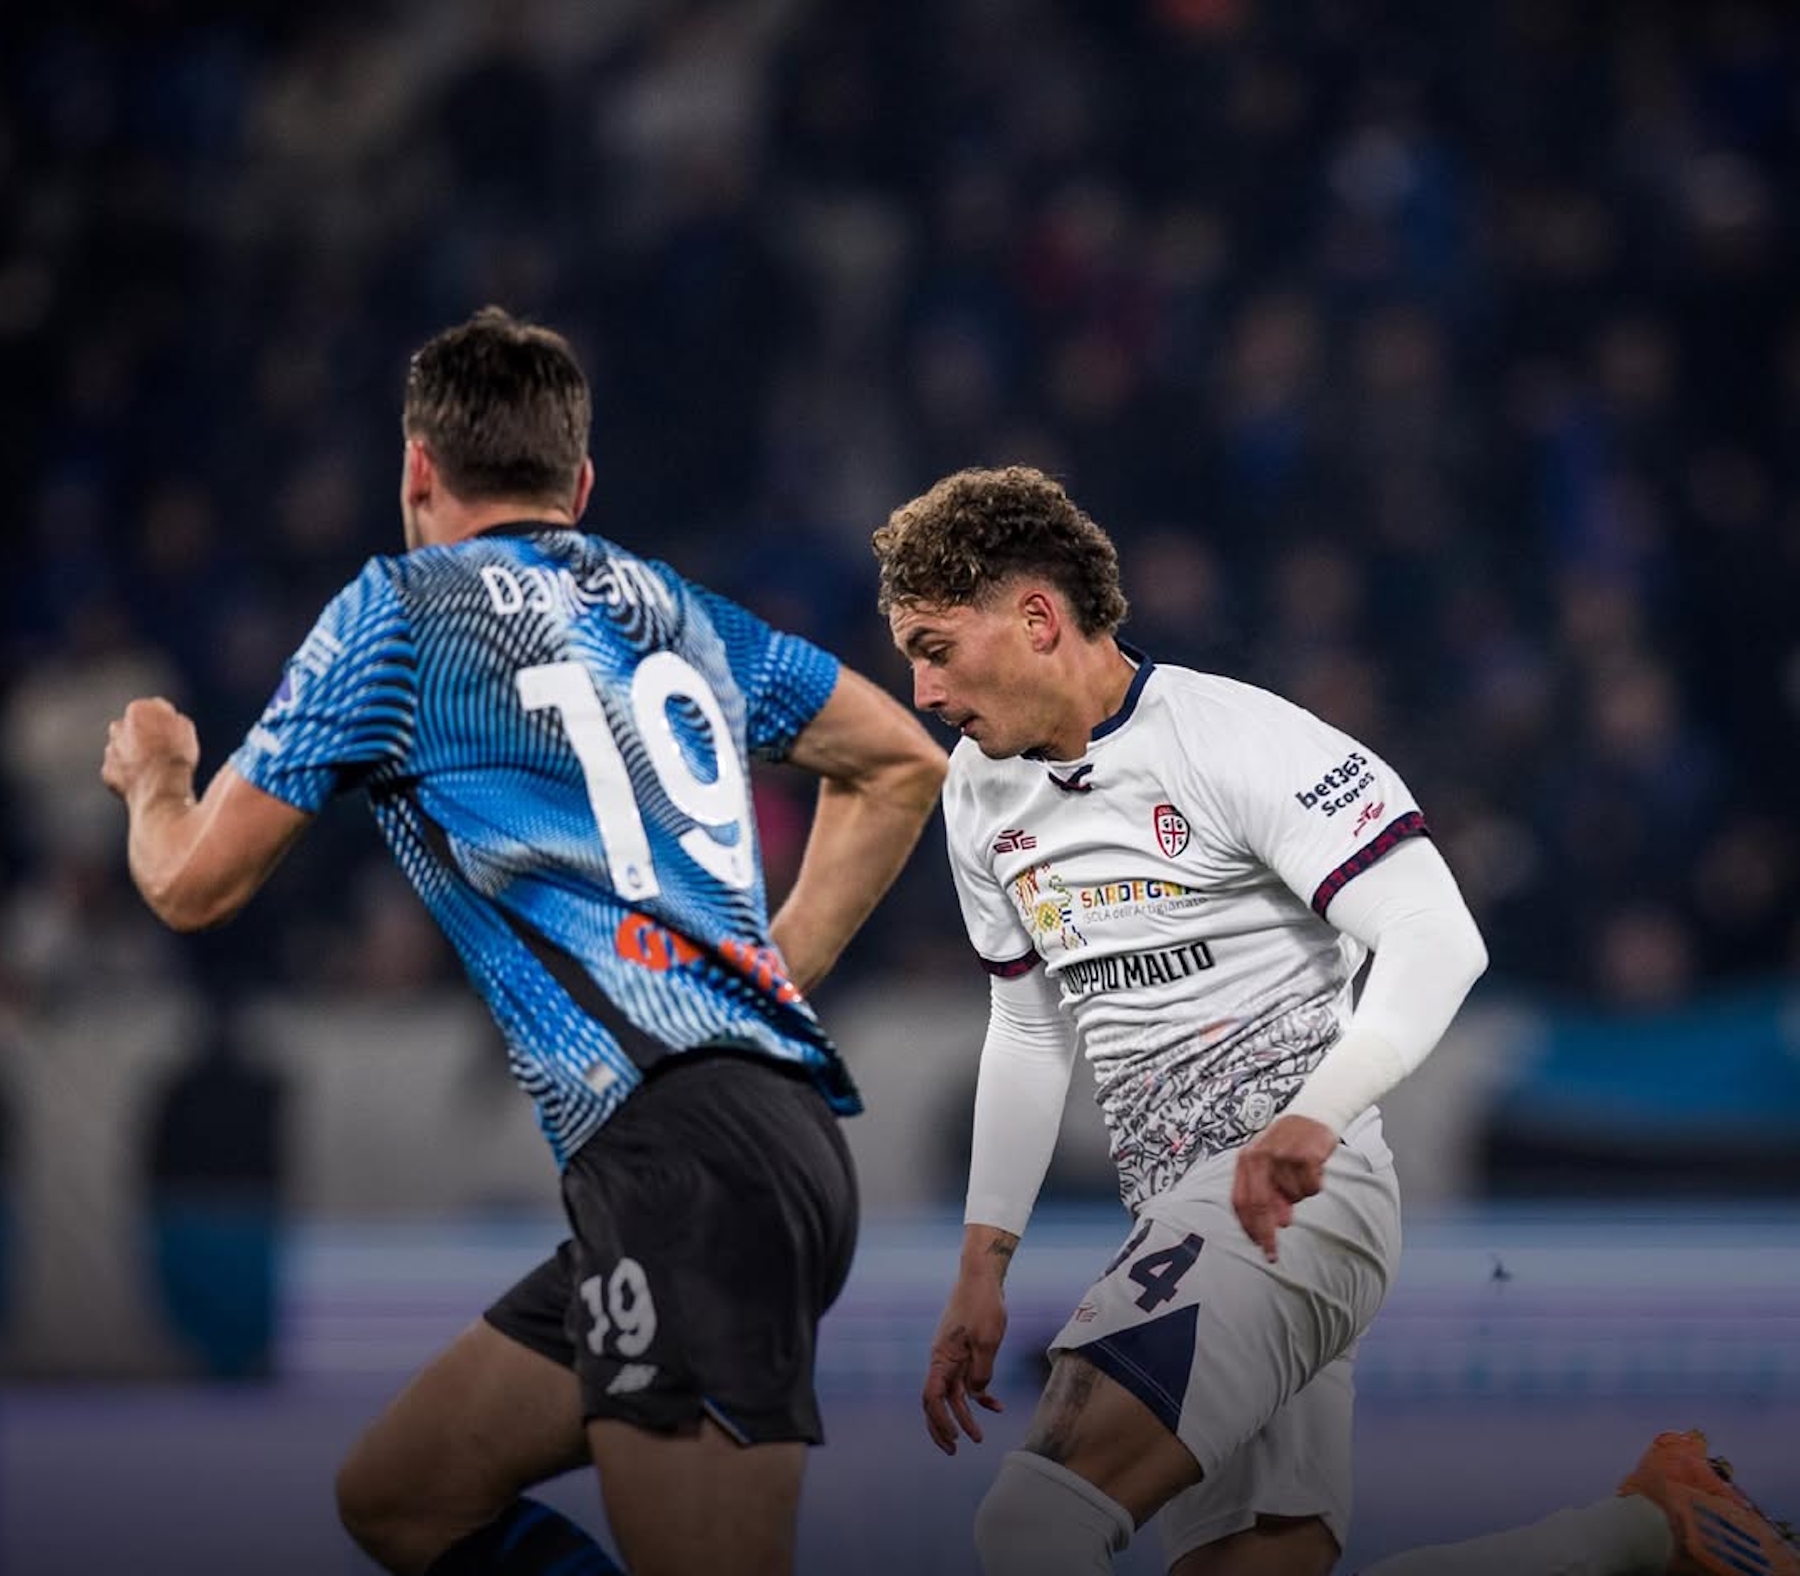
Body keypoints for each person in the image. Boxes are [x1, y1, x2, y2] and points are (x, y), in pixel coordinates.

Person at [101, 305, 949, 1576]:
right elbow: (899, 759)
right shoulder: (668, 605)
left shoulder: (398, 611)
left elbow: (191, 887)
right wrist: (770, 973)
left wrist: (155, 779)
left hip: (683, 1162)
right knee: (405, 1495)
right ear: (581, 484)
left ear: (415, 471)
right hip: (739, 1145)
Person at [871, 465, 1798, 1576]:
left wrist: (1312, 1116)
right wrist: (986, 1259)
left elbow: (1439, 936)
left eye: (933, 648)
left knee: (1030, 1526)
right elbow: (1027, 1028)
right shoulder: (981, 791)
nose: (924, 694)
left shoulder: (1240, 740)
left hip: (1299, 1199)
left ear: (1035, 618)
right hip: (1198, 1217)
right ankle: (1648, 1532)